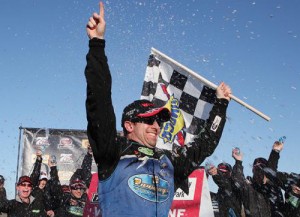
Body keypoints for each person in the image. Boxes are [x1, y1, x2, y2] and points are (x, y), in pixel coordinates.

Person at [85, 2, 232, 217]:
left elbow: (206, 143)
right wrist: (97, 43)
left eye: (158, 121)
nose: (156, 125)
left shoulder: (169, 162)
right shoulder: (112, 152)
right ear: (129, 125)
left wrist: (220, 104)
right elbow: (99, 100)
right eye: (148, 120)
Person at [231, 141, 285, 217]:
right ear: (253, 170)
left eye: (262, 168)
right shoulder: (249, 187)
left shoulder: (274, 188)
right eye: (256, 168)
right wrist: (238, 161)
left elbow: (282, 211)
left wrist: (275, 151)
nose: (259, 171)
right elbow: (237, 180)